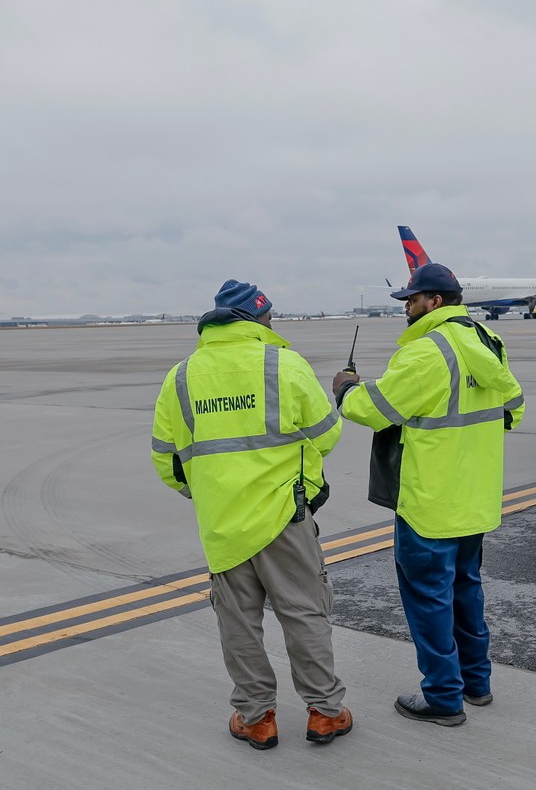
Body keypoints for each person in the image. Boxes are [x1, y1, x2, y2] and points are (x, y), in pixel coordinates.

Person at [151, 279, 352, 750]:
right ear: (258, 319)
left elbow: (166, 460)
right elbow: (327, 434)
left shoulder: (180, 377)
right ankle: (325, 712)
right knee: (304, 613)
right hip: (285, 514)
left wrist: (209, 493)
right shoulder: (282, 363)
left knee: (238, 624)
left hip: (222, 525)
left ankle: (257, 718)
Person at [332, 263, 524, 727]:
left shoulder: (425, 352)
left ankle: (442, 696)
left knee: (428, 599)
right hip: (474, 498)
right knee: (466, 591)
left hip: (428, 502)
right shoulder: (486, 343)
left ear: (434, 302)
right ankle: (477, 684)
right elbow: (512, 410)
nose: (406, 308)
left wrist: (345, 390)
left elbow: (377, 411)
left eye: (411, 300)